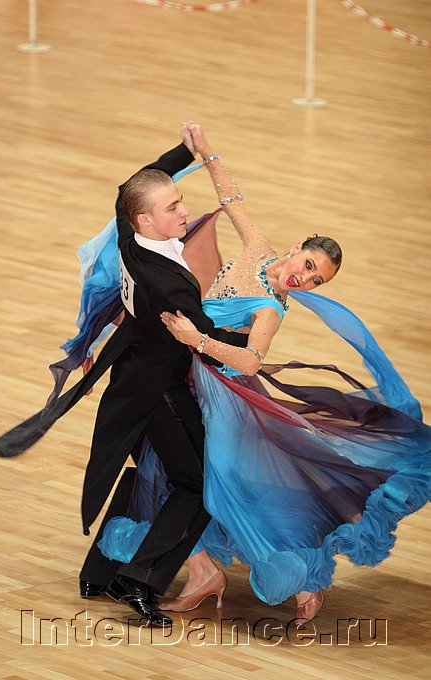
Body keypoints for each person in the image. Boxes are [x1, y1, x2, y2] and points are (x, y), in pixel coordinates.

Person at [96, 123, 431, 623]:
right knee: (174, 471)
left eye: (316, 280)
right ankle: (202, 572)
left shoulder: (271, 308)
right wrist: (207, 152)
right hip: (186, 377)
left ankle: (301, 580)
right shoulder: (258, 249)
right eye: (309, 264)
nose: (305, 277)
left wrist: (196, 340)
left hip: (223, 392)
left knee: (227, 483)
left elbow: (251, 361)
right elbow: (231, 199)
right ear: (296, 247)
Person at [0, 126, 249, 627]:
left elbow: (131, 185)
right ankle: (140, 579)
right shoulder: (168, 283)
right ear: (145, 218)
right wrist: (254, 339)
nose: (184, 211)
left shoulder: (131, 235)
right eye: (173, 206)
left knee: (147, 470)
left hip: (131, 380)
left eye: (180, 201)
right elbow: (203, 337)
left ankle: (101, 571)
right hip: (159, 392)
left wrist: (183, 152)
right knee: (199, 485)